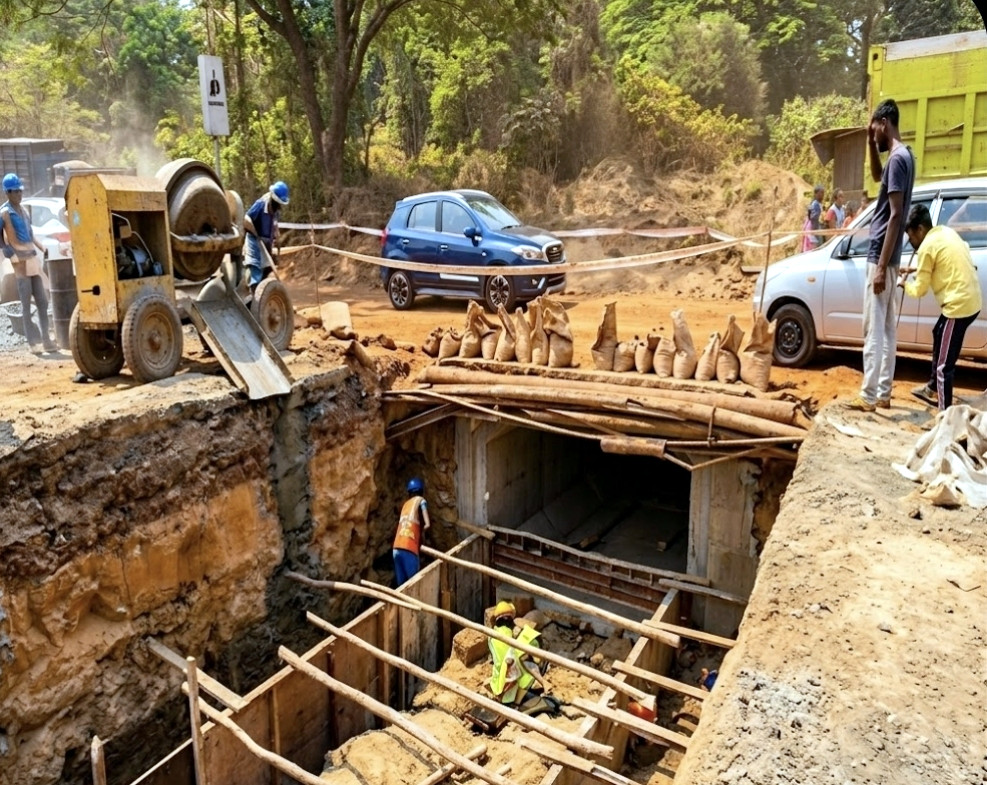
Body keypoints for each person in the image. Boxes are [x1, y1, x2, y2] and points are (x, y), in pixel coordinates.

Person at [847, 99, 915, 412]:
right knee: (886, 328)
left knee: (873, 327)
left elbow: (896, 215)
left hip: (882, 256)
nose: (872, 132)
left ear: (884, 123)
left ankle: (869, 395)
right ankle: (883, 393)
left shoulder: (899, 160)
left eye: (874, 127)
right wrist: (869, 143)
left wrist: (881, 266)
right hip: (889, 258)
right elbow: (877, 177)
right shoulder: (901, 157)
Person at [900, 204, 982, 410]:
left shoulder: (926, 247)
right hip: (971, 300)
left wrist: (903, 283)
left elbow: (919, 290)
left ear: (919, 229)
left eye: (911, 237)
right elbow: (941, 263)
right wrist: (913, 269)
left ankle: (944, 416)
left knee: (945, 367)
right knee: (938, 332)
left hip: (958, 306)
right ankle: (932, 388)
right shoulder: (945, 232)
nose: (911, 243)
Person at [0, 173, 56, 353]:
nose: (19, 194)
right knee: (25, 303)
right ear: (7, 192)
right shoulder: (4, 213)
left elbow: (31, 235)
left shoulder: (24, 211)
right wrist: (5, 249)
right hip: (19, 263)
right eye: (15, 191)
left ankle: (46, 340)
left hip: (31, 259)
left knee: (42, 300)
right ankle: (34, 343)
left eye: (20, 191)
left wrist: (42, 248)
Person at [487, 601, 547, 709]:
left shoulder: (492, 637)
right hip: (510, 685)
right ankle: (517, 702)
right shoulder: (513, 637)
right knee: (527, 672)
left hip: (497, 683)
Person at [243, 181, 289, 294]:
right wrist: (255, 233)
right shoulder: (260, 204)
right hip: (254, 239)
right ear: (273, 198)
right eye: (278, 203)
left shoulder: (276, 210)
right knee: (256, 267)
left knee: (268, 267)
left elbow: (275, 223)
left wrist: (277, 237)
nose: (279, 206)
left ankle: (262, 294)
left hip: (267, 240)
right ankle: (254, 295)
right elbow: (246, 219)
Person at [392, 477, 430, 586]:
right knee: (414, 585)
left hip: (396, 548)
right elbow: (427, 524)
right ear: (421, 491)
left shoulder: (405, 505)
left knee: (402, 587)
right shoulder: (421, 501)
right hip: (409, 548)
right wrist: (423, 534)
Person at [801, 185, 825, 252]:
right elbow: (813, 217)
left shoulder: (818, 204)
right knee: (814, 249)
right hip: (813, 228)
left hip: (816, 228)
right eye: (821, 193)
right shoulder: (815, 204)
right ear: (816, 194)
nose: (823, 195)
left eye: (823, 193)